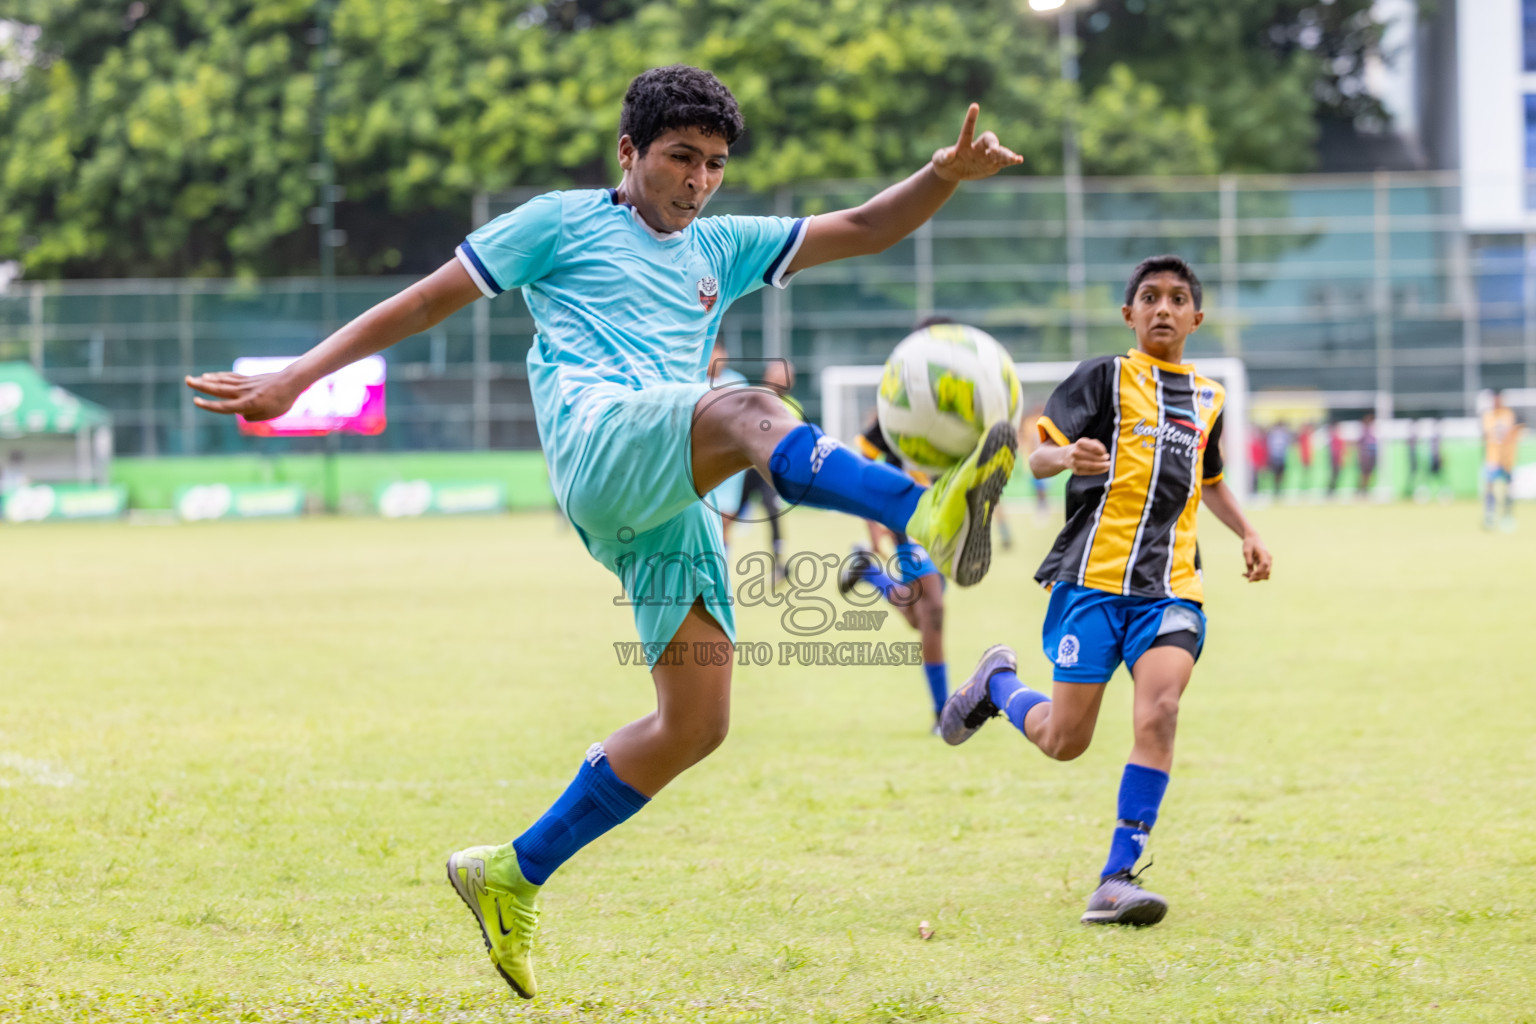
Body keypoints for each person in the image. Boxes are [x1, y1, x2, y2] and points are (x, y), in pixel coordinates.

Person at [186, 66, 1022, 999]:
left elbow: (863, 229)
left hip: (665, 497)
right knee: (750, 404)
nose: (697, 182)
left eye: (713, 165)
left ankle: (511, 872)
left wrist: (941, 174)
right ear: (628, 153)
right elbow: (424, 300)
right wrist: (298, 375)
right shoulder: (559, 222)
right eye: (679, 159)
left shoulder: (720, 245)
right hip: (601, 443)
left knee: (694, 724)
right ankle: (924, 510)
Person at [937, 255, 1272, 928]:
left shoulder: (1209, 398)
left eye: (1178, 299)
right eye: (1149, 297)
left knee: (1162, 709)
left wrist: (1247, 532)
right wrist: (1065, 457)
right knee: (1065, 741)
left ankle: (1116, 878)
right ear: (1129, 314)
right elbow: (1037, 456)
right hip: (1092, 582)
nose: (1163, 308)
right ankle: (997, 685)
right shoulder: (1103, 377)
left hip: (1173, 589)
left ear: (1196, 318)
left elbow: (1208, 481)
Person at [838, 409, 950, 728]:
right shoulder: (895, 416)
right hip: (909, 519)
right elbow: (862, 464)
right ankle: (944, 713)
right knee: (934, 612)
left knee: (919, 618)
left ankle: (869, 573)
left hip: (948, 524)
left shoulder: (960, 412)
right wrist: (871, 521)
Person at [1482, 391, 1523, 530]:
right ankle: (1489, 515)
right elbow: (1487, 436)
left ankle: (1508, 516)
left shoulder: (1508, 414)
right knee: (1490, 487)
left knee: (1509, 489)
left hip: (1507, 459)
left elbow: (1512, 435)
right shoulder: (1488, 416)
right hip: (1493, 459)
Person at [1265, 420, 1291, 497]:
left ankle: (1279, 488)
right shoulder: (1274, 434)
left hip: (1280, 456)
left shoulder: (1283, 434)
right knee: (1277, 473)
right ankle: (1277, 488)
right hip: (1276, 456)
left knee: (1280, 473)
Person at [1358, 412, 1379, 498]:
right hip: (1365, 456)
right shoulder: (1364, 431)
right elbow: (1360, 443)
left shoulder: (1373, 430)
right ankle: (1362, 490)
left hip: (1371, 455)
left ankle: (1365, 489)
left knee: (1369, 474)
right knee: (1364, 474)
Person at [1327, 421, 1346, 497]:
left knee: (1337, 475)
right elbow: (1335, 450)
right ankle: (1331, 489)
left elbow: (1342, 449)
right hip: (1335, 459)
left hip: (1337, 459)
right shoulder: (1334, 437)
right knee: (1334, 474)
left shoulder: (1338, 437)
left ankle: (1333, 489)